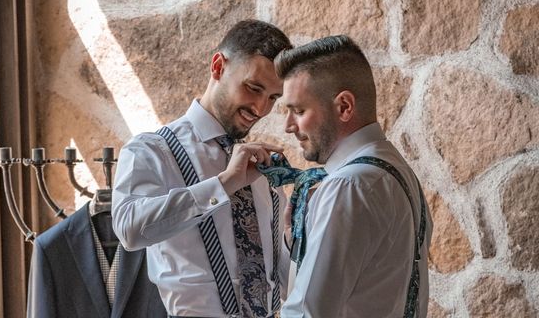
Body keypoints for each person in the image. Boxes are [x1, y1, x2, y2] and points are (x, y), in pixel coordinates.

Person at [112, 20, 292, 318]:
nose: (260, 109)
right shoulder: (152, 150)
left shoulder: (260, 169)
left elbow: (280, 283)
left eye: (273, 97)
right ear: (219, 67)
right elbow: (130, 230)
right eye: (253, 88)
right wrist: (222, 185)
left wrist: (293, 234)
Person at [275, 35, 432, 318]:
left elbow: (306, 312)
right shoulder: (397, 170)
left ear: (344, 107)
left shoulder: (348, 186)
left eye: (298, 110)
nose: (288, 125)